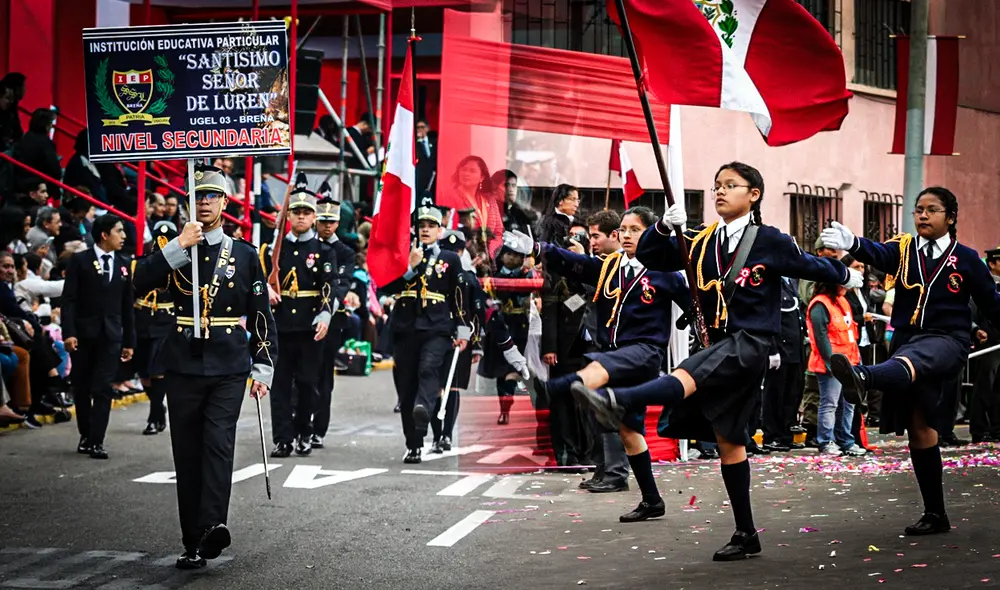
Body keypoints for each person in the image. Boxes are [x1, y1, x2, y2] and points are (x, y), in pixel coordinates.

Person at [573, 162, 861, 560]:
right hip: (720, 342)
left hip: (751, 342)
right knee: (729, 441)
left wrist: (845, 272)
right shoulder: (704, 240)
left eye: (731, 185)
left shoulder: (769, 240)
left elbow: (808, 264)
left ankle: (623, 400)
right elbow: (653, 255)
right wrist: (662, 228)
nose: (720, 191)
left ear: (754, 194)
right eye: (716, 186)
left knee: (689, 372)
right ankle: (746, 533)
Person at [821, 186, 1000, 537]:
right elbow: (876, 251)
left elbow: (992, 304)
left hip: (947, 340)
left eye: (931, 210)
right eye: (918, 209)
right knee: (921, 430)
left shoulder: (965, 258)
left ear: (950, 217)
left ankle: (862, 376)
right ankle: (936, 513)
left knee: (911, 361)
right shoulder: (903, 250)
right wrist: (853, 243)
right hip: (906, 340)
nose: (922, 215)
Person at [132, 164, 276, 569]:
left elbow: (261, 314)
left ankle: (213, 526)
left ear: (225, 203)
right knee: (187, 452)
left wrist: (262, 367)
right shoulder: (172, 244)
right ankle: (191, 540)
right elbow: (140, 281)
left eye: (212, 195)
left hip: (229, 364)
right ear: (187, 203)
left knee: (217, 444)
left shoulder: (245, 254)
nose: (205, 202)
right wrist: (178, 247)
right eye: (198, 196)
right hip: (183, 362)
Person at [539, 206, 690, 512]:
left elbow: (693, 302)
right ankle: (652, 500)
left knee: (597, 368)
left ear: (649, 234)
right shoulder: (612, 266)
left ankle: (549, 389)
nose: (626, 235)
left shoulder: (664, 271)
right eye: (623, 229)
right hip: (616, 350)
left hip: (645, 351)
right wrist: (539, 248)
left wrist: (695, 322)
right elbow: (576, 263)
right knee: (629, 430)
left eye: (635, 229)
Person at [381, 207, 470, 464]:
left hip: (437, 327)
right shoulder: (403, 256)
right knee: (406, 385)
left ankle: (424, 409)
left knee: (429, 369)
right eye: (421, 225)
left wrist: (462, 330)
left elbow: (458, 296)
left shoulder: (450, 258)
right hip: (405, 327)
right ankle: (414, 443)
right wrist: (410, 267)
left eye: (431, 225)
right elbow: (386, 287)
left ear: (439, 230)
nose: (426, 229)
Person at [259, 176, 336, 457]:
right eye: (296, 212)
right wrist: (266, 288)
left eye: (306, 213)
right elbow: (259, 279)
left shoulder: (323, 250)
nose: (301, 217)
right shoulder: (272, 250)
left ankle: (304, 431)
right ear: (288, 215)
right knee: (279, 385)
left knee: (306, 384)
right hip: (280, 325)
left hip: (309, 326)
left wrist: (326, 313)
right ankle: (282, 438)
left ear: (314, 216)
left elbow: (328, 285)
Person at [61, 213, 135, 459]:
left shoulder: (124, 263)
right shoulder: (80, 261)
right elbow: (69, 300)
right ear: (104, 234)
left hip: (111, 336)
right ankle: (85, 433)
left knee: (103, 387)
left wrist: (129, 341)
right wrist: (69, 332)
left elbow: (127, 306)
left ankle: (97, 440)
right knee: (81, 386)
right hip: (83, 335)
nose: (123, 236)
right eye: (119, 231)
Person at [311, 189, 359, 448]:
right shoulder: (308, 245)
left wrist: (327, 311)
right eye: (322, 220)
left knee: (323, 378)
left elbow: (341, 285)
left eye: (331, 221)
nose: (326, 225)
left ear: (338, 223)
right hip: (302, 318)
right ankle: (300, 425)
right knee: (300, 376)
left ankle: (319, 427)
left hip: (331, 321)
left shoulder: (345, 252)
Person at [478, 230, 536, 425]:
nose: (511, 258)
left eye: (516, 255)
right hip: (498, 326)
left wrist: (526, 273)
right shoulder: (492, 274)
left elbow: (528, 290)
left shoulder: (527, 275)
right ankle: (503, 405)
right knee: (499, 369)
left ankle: (507, 404)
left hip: (519, 326)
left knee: (512, 368)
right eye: (508, 253)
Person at [806, 279, 865, 457]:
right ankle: (826, 441)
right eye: (843, 283)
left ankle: (846, 441)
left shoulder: (842, 301)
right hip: (831, 364)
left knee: (849, 404)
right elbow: (821, 338)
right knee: (830, 403)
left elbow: (850, 333)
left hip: (850, 361)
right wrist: (831, 363)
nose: (847, 287)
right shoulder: (819, 305)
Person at [133, 221, 178, 436]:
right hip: (142, 321)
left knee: (158, 370)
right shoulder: (142, 264)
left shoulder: (181, 266)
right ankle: (159, 408)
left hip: (167, 322)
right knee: (144, 373)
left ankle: (153, 417)